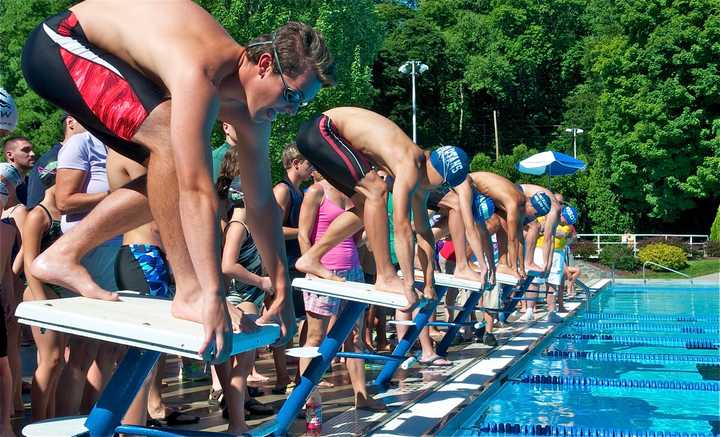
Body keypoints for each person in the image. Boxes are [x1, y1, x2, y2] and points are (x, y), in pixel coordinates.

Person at [22, 1, 335, 361]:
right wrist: (210, 293)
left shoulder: (253, 117)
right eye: (291, 96)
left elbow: (261, 202)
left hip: (100, 59)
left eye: (300, 105)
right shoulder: (201, 69)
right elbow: (196, 191)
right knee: (173, 145)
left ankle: (63, 253)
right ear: (264, 65)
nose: (290, 110)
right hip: (59, 43)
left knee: (167, 168)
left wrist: (281, 284)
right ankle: (188, 293)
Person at [295, 107, 470, 310]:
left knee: (364, 206)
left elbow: (424, 233)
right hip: (323, 130)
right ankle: (386, 276)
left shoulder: (420, 178)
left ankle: (311, 257)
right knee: (377, 190)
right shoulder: (410, 164)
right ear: (439, 174)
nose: (439, 189)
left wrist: (430, 283)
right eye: (444, 184)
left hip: (316, 135)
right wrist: (409, 285)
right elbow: (402, 228)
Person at [297, 172, 386, 413]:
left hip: (352, 271)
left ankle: (362, 395)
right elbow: (303, 235)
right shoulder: (316, 191)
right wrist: (314, 275)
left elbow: (354, 238)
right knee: (316, 337)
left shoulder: (352, 191)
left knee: (355, 338)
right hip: (323, 271)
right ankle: (306, 397)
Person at [215, 149, 274, 433]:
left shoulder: (246, 221)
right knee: (243, 365)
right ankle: (237, 425)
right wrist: (261, 282)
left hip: (247, 298)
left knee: (236, 366)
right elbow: (227, 265)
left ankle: (235, 421)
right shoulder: (239, 223)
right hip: (241, 299)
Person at [21, 162, 67, 421]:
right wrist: (41, 302)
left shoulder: (66, 212)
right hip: (41, 291)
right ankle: (37, 423)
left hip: (60, 293)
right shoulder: (38, 215)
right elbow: (29, 263)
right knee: (50, 360)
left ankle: (50, 419)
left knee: (58, 361)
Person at [271, 143, 313, 393]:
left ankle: (300, 374)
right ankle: (281, 377)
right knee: (282, 323)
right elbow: (273, 229)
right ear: (296, 163)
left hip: (298, 261)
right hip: (284, 263)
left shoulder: (301, 191)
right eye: (309, 163)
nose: (312, 168)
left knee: (307, 317)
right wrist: (305, 233)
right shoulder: (283, 190)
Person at [468, 172, 552, 279]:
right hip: (470, 184)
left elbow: (520, 238)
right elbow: (512, 240)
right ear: (530, 204)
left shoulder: (522, 204)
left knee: (504, 224)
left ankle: (503, 264)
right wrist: (514, 270)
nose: (534, 218)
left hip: (480, 188)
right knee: (494, 224)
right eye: (536, 214)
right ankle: (466, 259)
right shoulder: (515, 203)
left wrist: (521, 268)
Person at [520, 200, 576, 323]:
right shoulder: (545, 215)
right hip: (539, 250)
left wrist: (546, 228)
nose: (566, 223)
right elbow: (537, 227)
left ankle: (551, 312)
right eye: (565, 221)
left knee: (553, 283)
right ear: (562, 215)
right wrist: (544, 228)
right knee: (534, 281)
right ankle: (529, 310)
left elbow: (562, 234)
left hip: (557, 254)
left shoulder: (565, 225)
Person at [520, 184, 561, 276]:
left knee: (530, 227)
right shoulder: (553, 212)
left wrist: (548, 265)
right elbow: (547, 240)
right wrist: (545, 264)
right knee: (535, 226)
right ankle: (528, 262)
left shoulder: (555, 211)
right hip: (519, 192)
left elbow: (551, 241)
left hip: (522, 192)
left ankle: (521, 259)